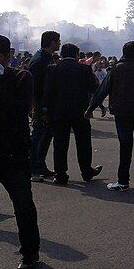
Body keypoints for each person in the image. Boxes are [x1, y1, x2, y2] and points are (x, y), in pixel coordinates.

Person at [0, 33, 41, 269]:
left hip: (14, 157)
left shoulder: (21, 77)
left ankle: (30, 254)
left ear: (7, 57)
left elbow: (17, 113)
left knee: (23, 207)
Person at [86, 41, 134, 192]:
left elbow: (103, 89)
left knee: (125, 146)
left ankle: (123, 181)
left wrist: (91, 108)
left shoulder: (117, 69)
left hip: (122, 112)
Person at [42, 43, 103, 186]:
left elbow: (47, 92)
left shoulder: (53, 69)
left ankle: (60, 174)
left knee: (60, 144)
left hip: (59, 112)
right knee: (83, 142)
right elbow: (94, 88)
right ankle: (86, 171)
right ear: (76, 55)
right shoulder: (83, 69)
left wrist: (45, 111)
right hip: (79, 112)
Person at [28, 30, 60, 182]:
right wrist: (35, 107)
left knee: (45, 136)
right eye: (57, 41)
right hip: (41, 105)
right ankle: (33, 168)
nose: (59, 44)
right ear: (52, 42)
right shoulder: (40, 60)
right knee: (38, 137)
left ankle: (40, 165)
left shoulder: (46, 58)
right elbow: (33, 86)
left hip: (47, 104)